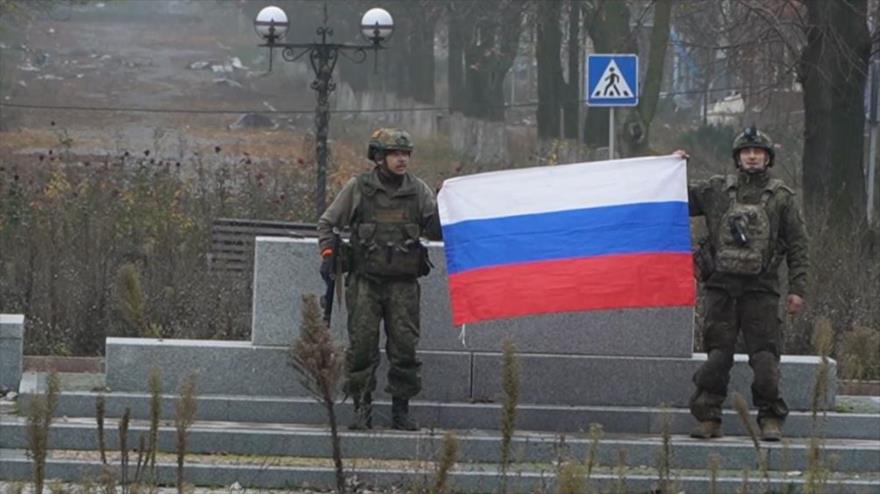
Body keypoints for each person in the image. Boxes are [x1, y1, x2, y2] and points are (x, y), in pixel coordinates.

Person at [677, 126, 809, 441]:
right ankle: (708, 417)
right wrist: (675, 166)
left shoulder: (782, 199)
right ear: (738, 157)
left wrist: (797, 288)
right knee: (717, 357)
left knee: (765, 358)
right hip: (721, 289)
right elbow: (675, 197)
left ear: (768, 158)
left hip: (761, 291)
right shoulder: (716, 190)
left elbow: (799, 246)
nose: (752, 156)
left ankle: (770, 418)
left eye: (758, 152)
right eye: (746, 151)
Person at [317, 128, 442, 431]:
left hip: (403, 284)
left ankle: (401, 411)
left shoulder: (418, 190)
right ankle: (362, 408)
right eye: (395, 154)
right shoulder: (359, 188)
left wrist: (447, 209)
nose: (402, 160)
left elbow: (435, 231)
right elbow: (327, 222)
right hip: (365, 283)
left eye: (406, 154)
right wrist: (328, 252)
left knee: (405, 348)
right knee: (361, 347)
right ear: (379, 157)